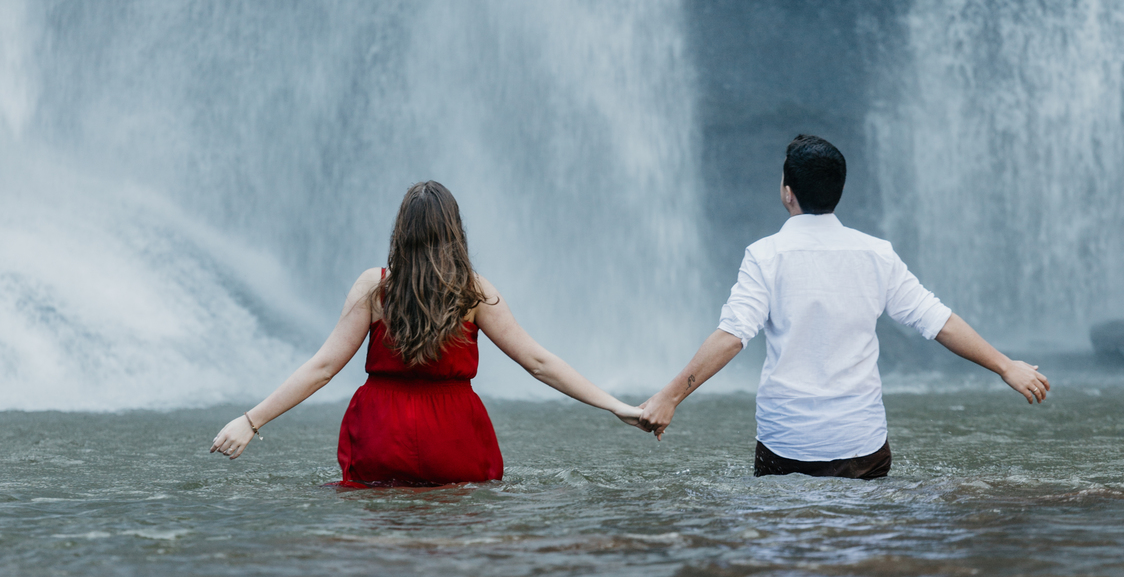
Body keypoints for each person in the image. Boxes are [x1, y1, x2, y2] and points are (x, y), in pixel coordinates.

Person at [640, 133, 1049, 477]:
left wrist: (669, 398)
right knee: (860, 558)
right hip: (861, 445)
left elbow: (732, 337)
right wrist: (1005, 365)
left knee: (788, 560)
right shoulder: (876, 254)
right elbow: (937, 320)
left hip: (787, 446)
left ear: (787, 192)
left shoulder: (766, 255)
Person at [211, 180, 650, 484]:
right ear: (454, 231)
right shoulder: (473, 292)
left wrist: (252, 421)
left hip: (382, 436)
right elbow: (538, 362)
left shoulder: (375, 287)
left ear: (401, 232)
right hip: (454, 439)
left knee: (384, 533)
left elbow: (324, 367)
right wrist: (616, 406)